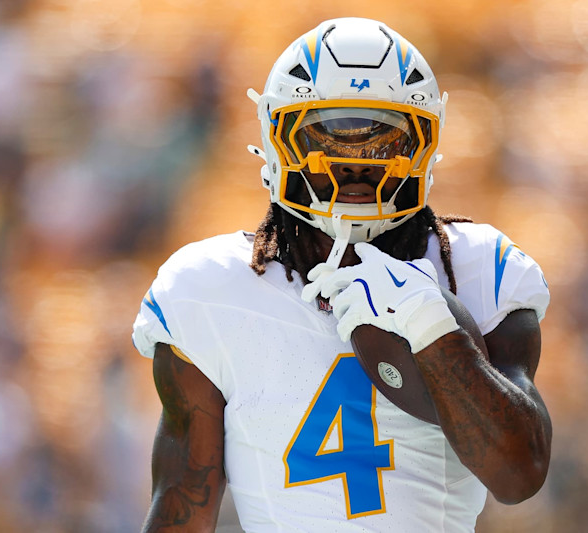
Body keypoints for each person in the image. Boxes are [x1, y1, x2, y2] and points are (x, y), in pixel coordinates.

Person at [132, 17, 551, 532]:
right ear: (276, 140)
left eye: (382, 142)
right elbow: (182, 506)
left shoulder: (477, 266)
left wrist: (432, 329)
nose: (352, 165)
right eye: (323, 137)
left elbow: (519, 475)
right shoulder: (208, 287)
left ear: (423, 145)